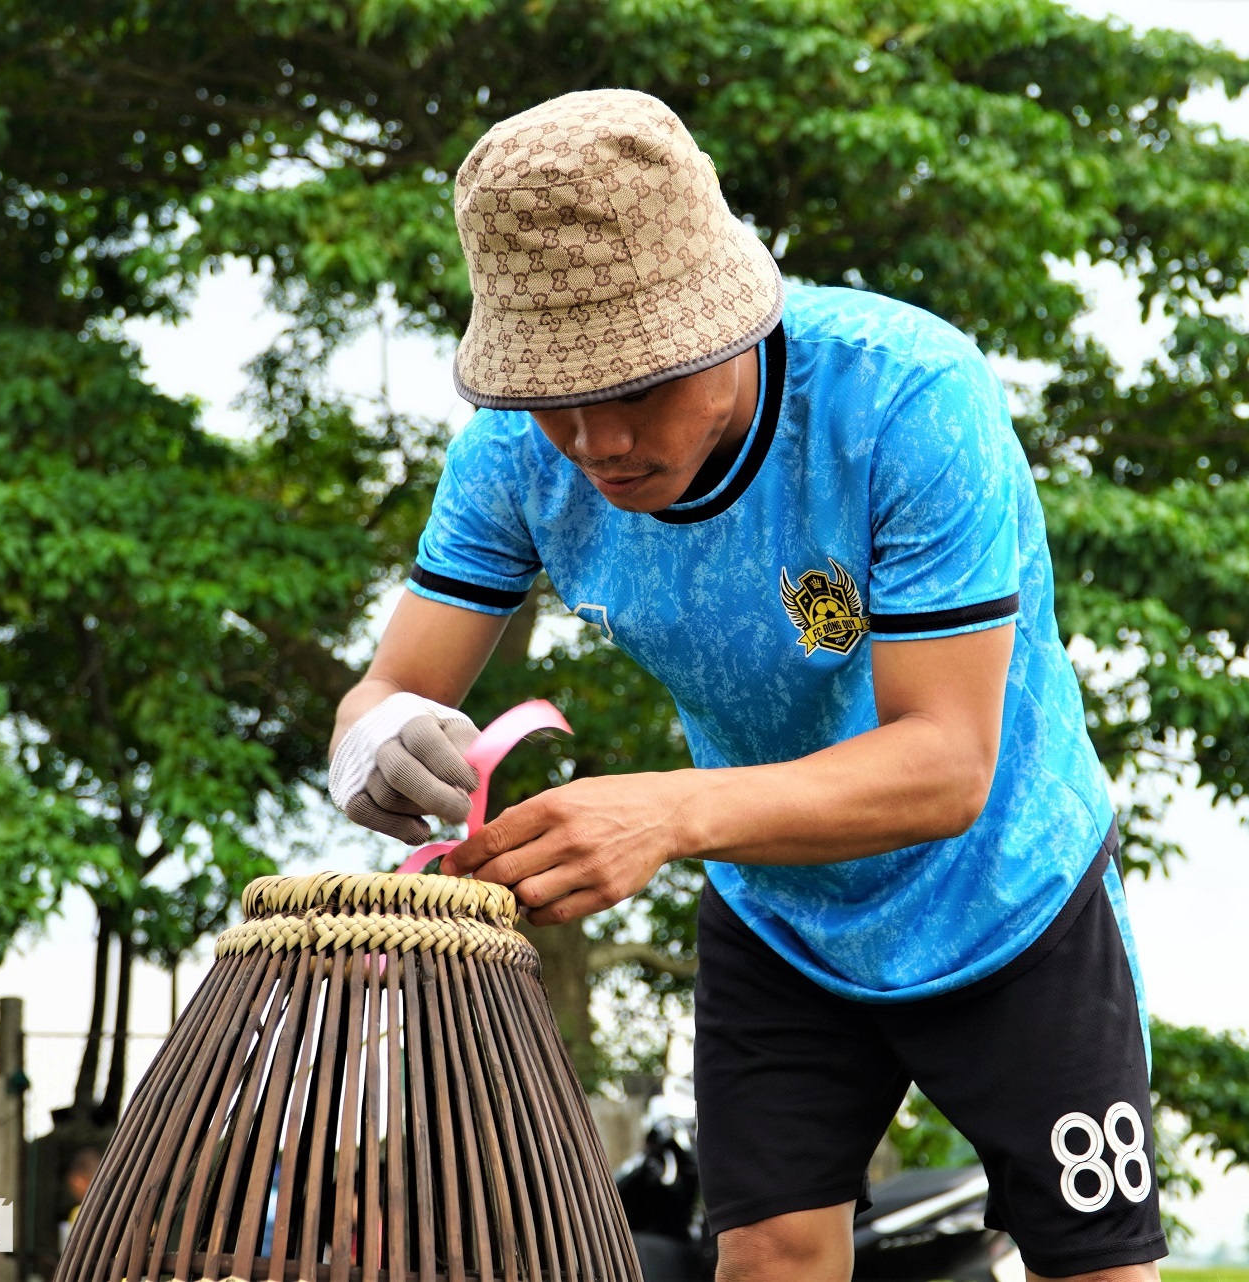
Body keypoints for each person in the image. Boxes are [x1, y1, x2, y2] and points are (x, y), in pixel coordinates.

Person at [328, 89, 1166, 1282]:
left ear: (725, 325)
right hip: (780, 913)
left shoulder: (908, 399)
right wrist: (380, 739)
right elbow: (386, 689)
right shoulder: (514, 459)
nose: (596, 439)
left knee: (1093, 1268)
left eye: (632, 386)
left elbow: (947, 764)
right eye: (555, 397)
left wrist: (665, 813)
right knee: (768, 1255)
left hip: (1005, 899)